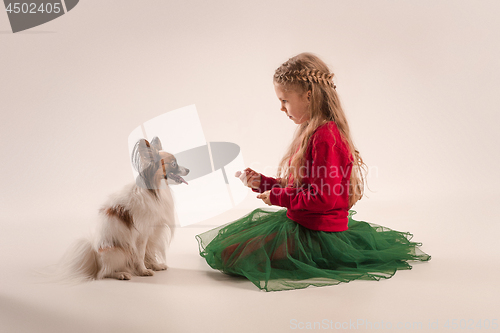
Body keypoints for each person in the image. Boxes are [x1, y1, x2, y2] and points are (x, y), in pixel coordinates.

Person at [195, 53, 430, 292]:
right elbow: (302, 187)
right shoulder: (310, 131)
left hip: (316, 232)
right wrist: (263, 183)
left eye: (284, 100)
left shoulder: (325, 137)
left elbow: (322, 198)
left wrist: (277, 197)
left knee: (231, 255)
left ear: (308, 96)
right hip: (302, 221)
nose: (281, 108)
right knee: (228, 249)